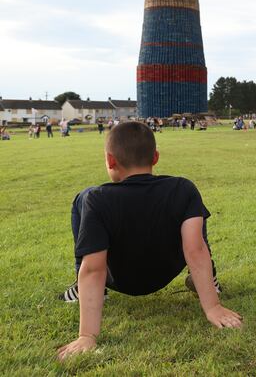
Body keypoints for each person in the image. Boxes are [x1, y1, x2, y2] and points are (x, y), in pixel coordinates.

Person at [55, 122, 241, 361]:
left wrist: (87, 335)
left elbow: (94, 267)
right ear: (155, 157)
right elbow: (195, 249)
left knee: (83, 197)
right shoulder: (182, 188)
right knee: (190, 212)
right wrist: (213, 307)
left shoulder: (96, 199)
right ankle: (206, 279)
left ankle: (92, 292)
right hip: (165, 271)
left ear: (111, 161)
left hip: (117, 278)